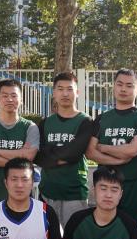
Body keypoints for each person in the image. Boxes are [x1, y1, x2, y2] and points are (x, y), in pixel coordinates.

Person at [85, 69, 137, 220]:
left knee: (136, 231)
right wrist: (117, 160)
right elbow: (90, 152)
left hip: (133, 187)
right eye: (119, 84)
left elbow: (132, 150)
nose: (123, 89)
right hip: (106, 187)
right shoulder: (101, 119)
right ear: (114, 86)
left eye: (129, 86)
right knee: (106, 228)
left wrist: (103, 147)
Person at [36, 72, 94, 226]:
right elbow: (38, 157)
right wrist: (63, 156)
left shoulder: (86, 121)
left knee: (74, 237)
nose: (65, 94)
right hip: (47, 191)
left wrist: (50, 155)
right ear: (54, 93)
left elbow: (74, 153)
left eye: (69, 89)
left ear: (77, 92)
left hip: (74, 192)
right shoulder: (45, 123)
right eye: (60, 89)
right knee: (47, 237)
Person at [0, 79, 39, 217]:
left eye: (14, 95)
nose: (10, 99)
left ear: (21, 99)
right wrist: (19, 155)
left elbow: (29, 156)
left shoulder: (30, 127)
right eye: (5, 96)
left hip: (22, 198)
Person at [0, 158, 61, 239]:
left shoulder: (47, 212)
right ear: (6, 183)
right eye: (14, 179)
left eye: (25, 179)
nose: (19, 185)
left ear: (32, 183)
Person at [61, 166, 137, 239]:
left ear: (120, 194)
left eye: (114, 190)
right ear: (94, 190)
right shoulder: (76, 220)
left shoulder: (130, 226)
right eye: (103, 189)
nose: (108, 195)